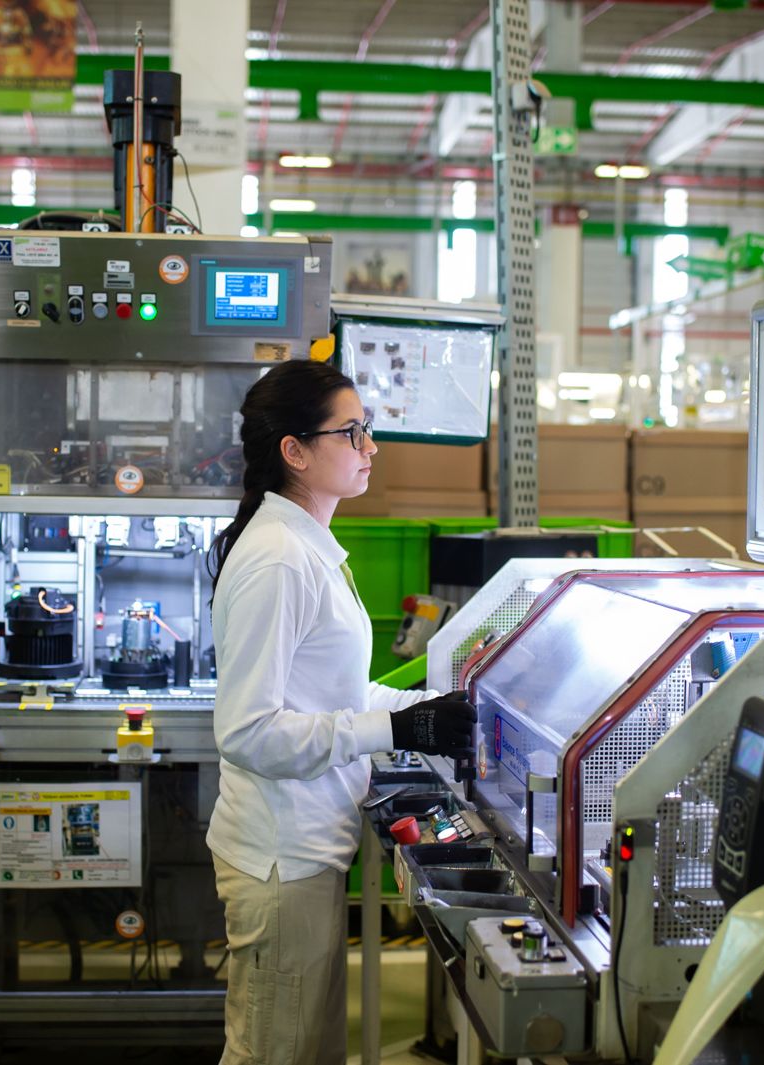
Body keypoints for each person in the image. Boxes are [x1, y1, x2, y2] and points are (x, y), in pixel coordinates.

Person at [205, 360, 477, 1064]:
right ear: (294, 451)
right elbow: (247, 731)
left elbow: (339, 695)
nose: (370, 447)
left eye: (369, 430)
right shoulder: (279, 561)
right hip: (280, 859)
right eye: (353, 432)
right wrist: (394, 728)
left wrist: (433, 709)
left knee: (303, 1046)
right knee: (277, 1050)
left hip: (304, 850)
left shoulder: (307, 547)